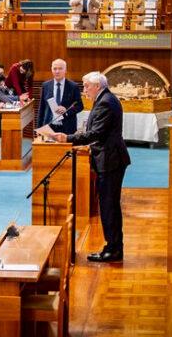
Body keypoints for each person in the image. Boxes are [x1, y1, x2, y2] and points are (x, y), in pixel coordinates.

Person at [50, 72, 130, 263]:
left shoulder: (105, 102)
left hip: (110, 160)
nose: (84, 90)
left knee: (109, 206)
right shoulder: (104, 98)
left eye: (86, 86)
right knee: (109, 206)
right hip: (109, 158)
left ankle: (113, 250)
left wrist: (67, 138)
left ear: (96, 86)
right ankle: (113, 246)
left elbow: (95, 133)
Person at [37, 59, 82, 135]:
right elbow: (42, 108)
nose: (57, 71)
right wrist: (39, 128)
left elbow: (80, 106)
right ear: (51, 70)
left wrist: (66, 111)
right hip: (49, 127)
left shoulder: (73, 86)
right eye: (55, 69)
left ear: (65, 70)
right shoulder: (46, 85)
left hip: (67, 128)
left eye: (60, 68)